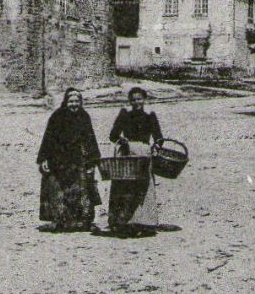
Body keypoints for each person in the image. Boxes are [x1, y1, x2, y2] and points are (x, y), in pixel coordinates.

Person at [36, 88, 101, 231]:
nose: (74, 104)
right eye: (71, 101)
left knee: (83, 189)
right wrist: (44, 158)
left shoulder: (84, 117)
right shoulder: (57, 116)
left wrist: (92, 160)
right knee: (58, 189)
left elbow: (90, 139)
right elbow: (48, 138)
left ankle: (83, 221)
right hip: (59, 159)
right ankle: (60, 220)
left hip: (78, 159)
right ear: (66, 102)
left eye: (77, 101)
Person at [106, 87, 164, 236]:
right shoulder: (124, 115)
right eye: (133, 99)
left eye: (139, 99)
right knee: (124, 186)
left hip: (144, 155)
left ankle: (144, 222)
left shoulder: (150, 117)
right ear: (129, 101)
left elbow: (159, 137)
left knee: (143, 187)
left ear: (144, 100)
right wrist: (121, 140)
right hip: (127, 153)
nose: (136, 102)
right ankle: (122, 221)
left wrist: (156, 146)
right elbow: (113, 135)